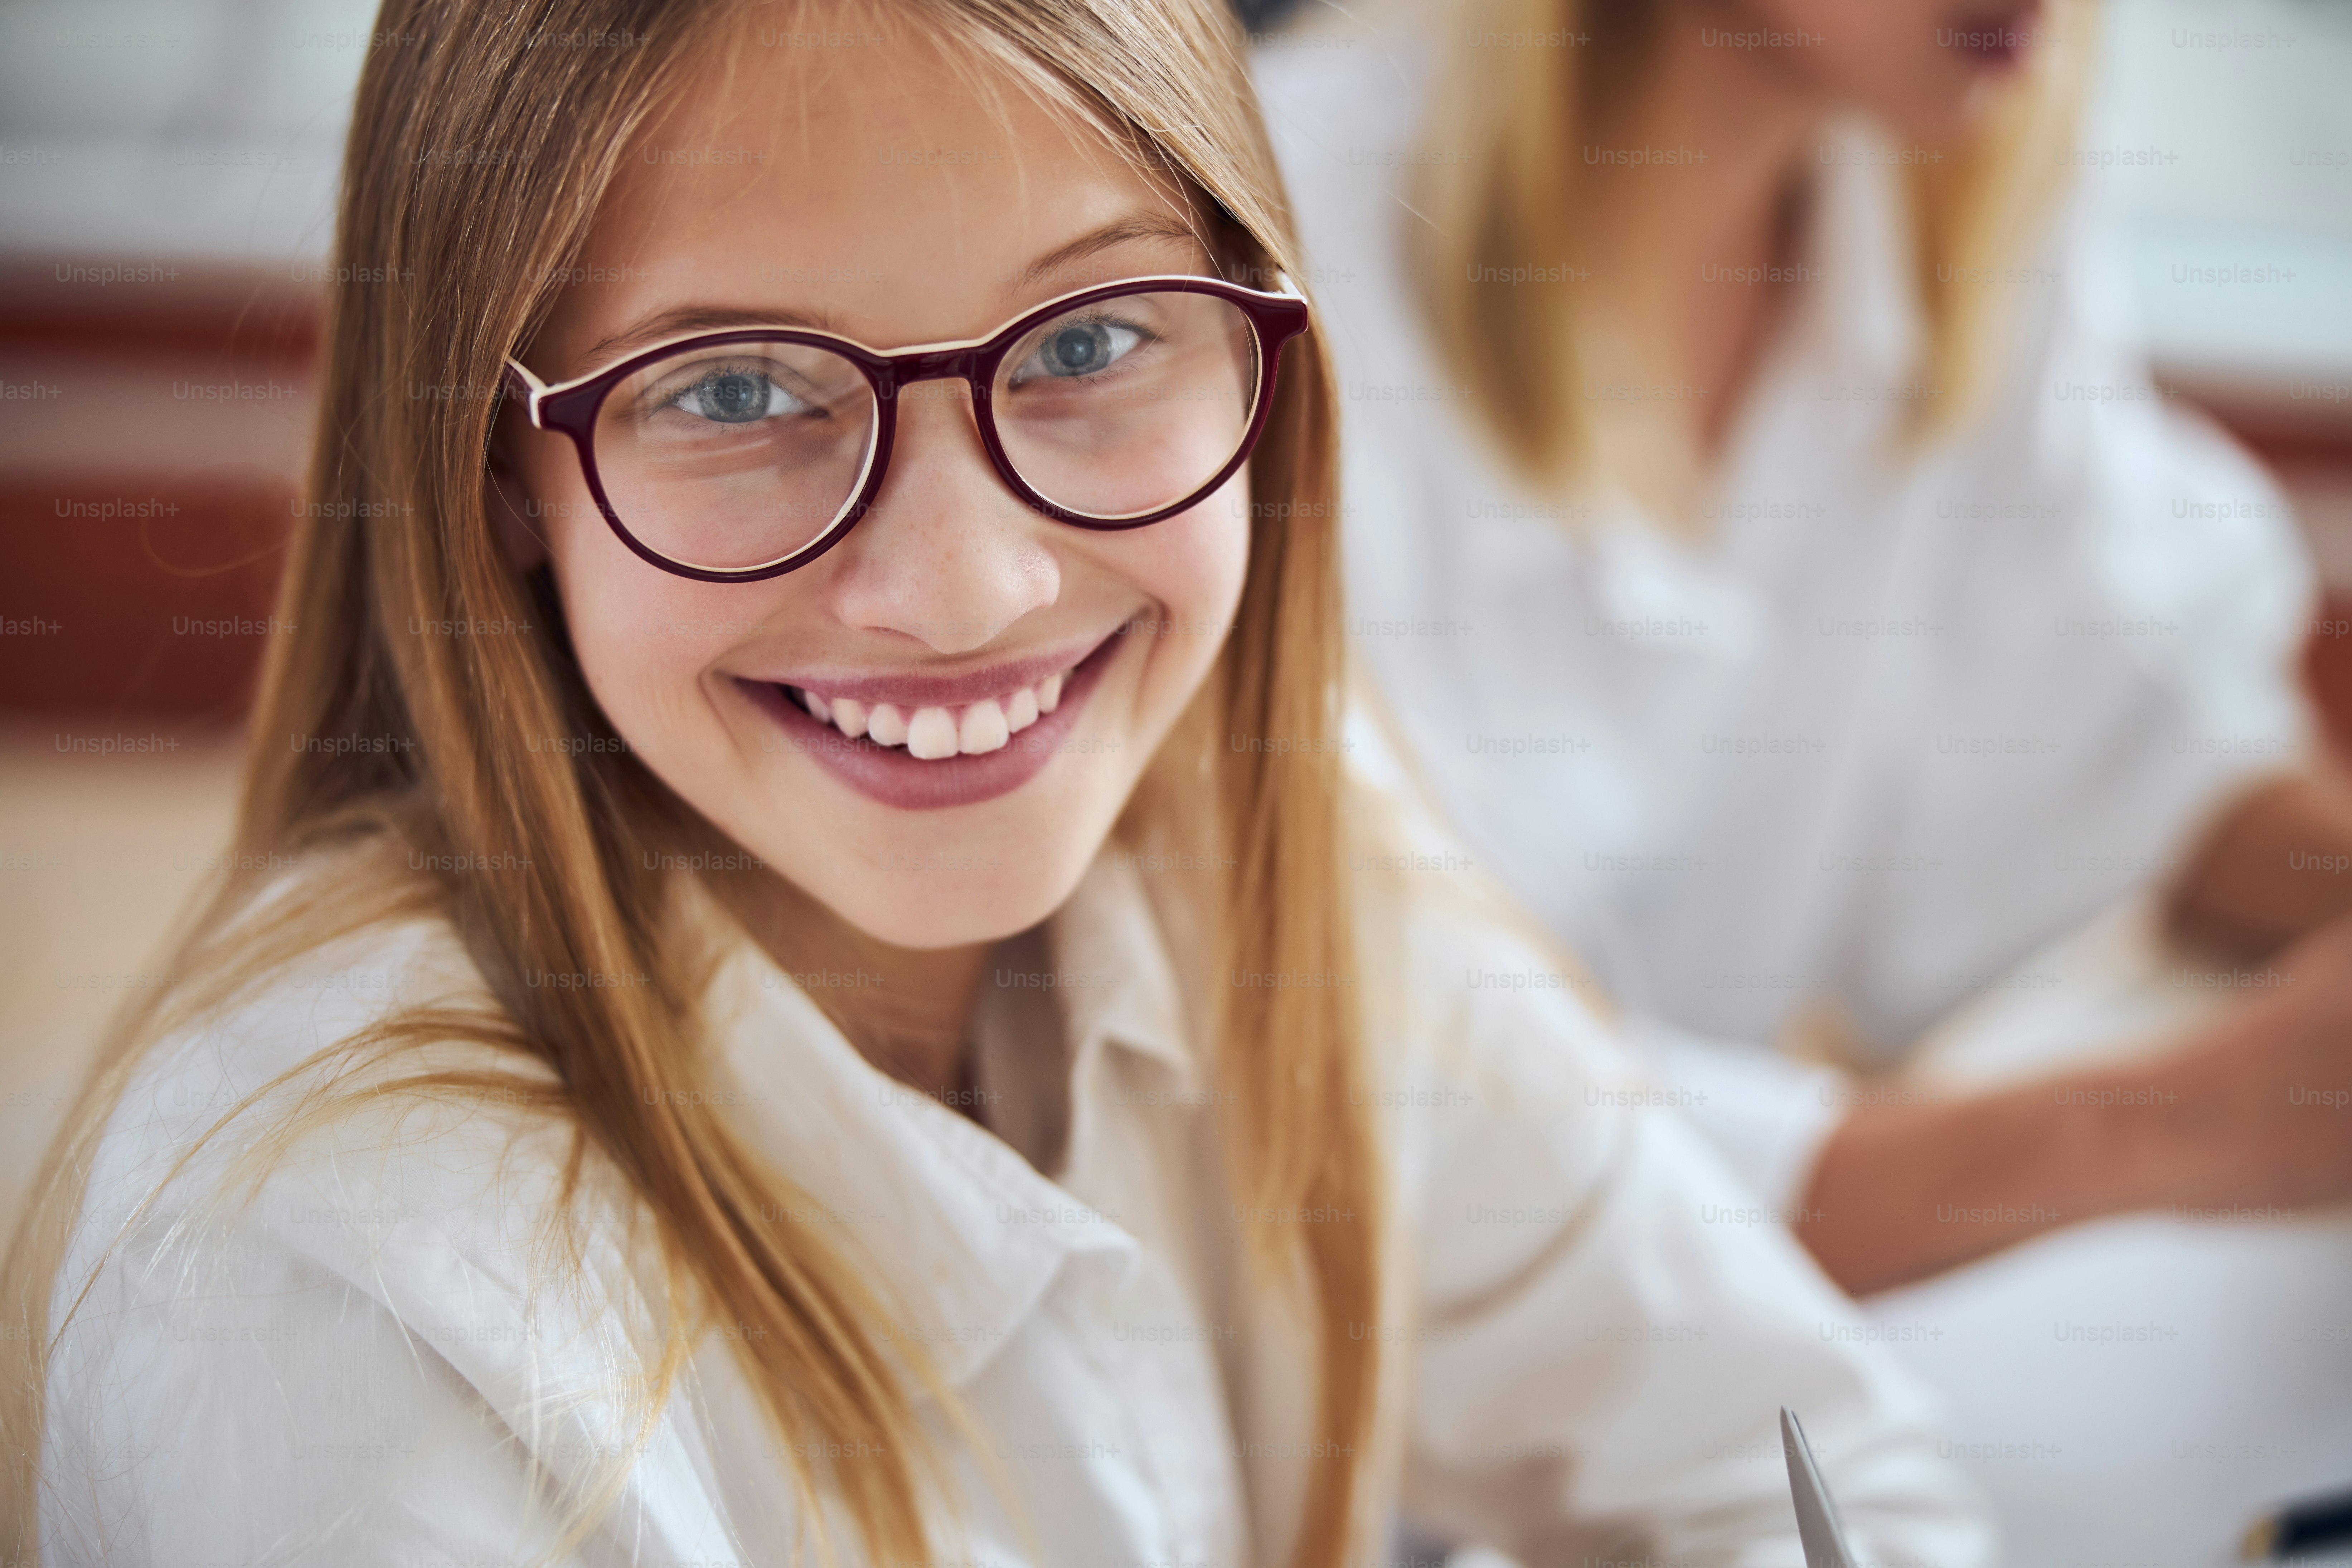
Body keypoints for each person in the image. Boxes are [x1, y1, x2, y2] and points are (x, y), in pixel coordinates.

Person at [0, 1, 1994, 1565]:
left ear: (1260, 357)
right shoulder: (335, 1306)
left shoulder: (1249, 848)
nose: (968, 592)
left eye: (1097, 338)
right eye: (733, 392)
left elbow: (1812, 1480)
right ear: (501, 471)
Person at [1251, 0, 2352, 1294]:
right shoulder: (1271, 257)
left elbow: (2128, 749)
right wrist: (2168, 1129)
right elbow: (1411, 1153)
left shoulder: (1943, 195)